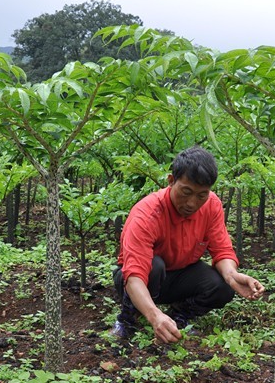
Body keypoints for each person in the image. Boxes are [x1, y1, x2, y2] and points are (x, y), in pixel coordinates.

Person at [111, 146, 265, 343]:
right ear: (171, 181)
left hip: (179, 274)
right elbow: (134, 276)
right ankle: (127, 319)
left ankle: (178, 317)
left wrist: (232, 276)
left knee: (223, 287)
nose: (192, 203)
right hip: (137, 278)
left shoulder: (212, 206)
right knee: (153, 266)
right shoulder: (147, 214)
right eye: (186, 192)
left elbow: (222, 249)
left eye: (201, 195)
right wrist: (154, 316)